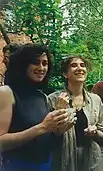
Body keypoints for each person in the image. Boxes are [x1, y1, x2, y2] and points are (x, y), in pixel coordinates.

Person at [0, 43, 71, 171]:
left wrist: (59, 130)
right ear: (23, 65)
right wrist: (42, 127)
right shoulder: (6, 93)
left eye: (45, 63)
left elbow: (46, 139)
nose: (41, 67)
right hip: (16, 165)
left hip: (45, 165)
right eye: (35, 62)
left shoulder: (43, 97)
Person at [48, 55, 103, 171]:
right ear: (65, 74)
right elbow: (48, 135)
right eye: (74, 65)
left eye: (82, 65)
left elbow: (102, 132)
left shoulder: (95, 100)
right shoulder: (53, 99)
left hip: (91, 161)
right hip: (63, 160)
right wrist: (59, 111)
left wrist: (94, 132)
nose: (79, 68)